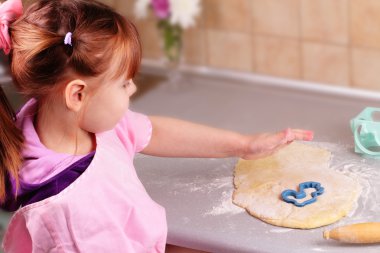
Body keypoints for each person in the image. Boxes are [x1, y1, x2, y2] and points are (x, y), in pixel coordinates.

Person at [0, 0, 314, 252]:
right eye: (124, 84)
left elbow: (153, 131)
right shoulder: (75, 219)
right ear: (78, 94)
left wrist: (244, 145)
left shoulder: (70, 123)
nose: (133, 90)